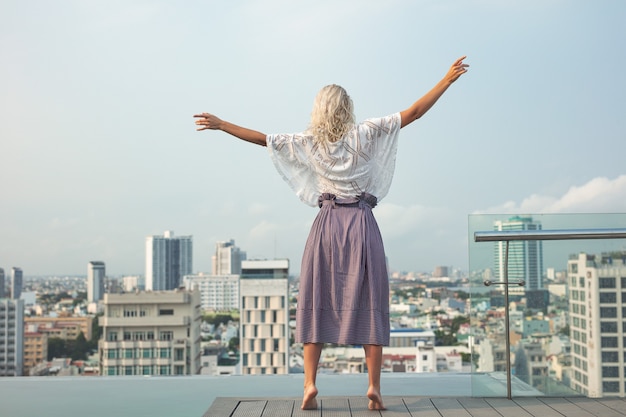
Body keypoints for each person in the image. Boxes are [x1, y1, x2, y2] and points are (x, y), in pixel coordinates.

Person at [194, 56, 468, 410]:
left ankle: (309, 384)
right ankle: (373, 387)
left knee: (315, 298)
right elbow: (414, 112)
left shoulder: (310, 143)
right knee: (371, 300)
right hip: (361, 223)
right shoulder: (367, 133)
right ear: (348, 108)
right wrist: (445, 80)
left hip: (326, 226)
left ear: (318, 111)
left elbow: (263, 140)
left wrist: (221, 124)